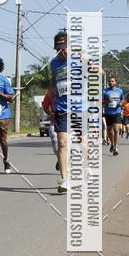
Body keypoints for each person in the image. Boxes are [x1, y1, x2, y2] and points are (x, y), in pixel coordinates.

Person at [50, 29, 70, 193]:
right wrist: (51, 100)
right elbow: (53, 82)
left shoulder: (80, 59)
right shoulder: (54, 63)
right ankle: (64, 181)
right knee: (62, 143)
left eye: (64, 47)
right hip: (62, 108)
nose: (62, 51)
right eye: (59, 48)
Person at [103, 75, 125, 155]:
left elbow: (122, 99)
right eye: (109, 81)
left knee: (116, 130)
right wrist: (107, 101)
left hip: (117, 112)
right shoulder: (105, 91)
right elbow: (101, 101)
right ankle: (112, 143)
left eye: (112, 81)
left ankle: (116, 147)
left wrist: (121, 103)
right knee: (109, 131)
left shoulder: (120, 91)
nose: (110, 82)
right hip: (108, 113)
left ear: (115, 82)